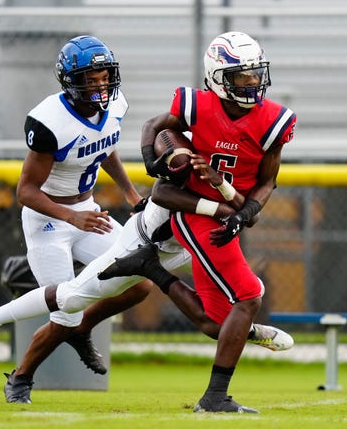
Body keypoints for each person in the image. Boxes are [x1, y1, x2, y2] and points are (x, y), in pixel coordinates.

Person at [0, 177, 294, 403]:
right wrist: (219, 204)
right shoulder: (186, 149)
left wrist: (239, 203)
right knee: (68, 300)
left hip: (184, 246)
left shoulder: (234, 153)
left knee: (222, 314)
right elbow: (163, 185)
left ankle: (246, 329)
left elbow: (258, 195)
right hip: (141, 244)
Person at [0, 35, 153, 401]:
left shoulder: (115, 105)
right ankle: (20, 376)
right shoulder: (50, 121)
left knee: (140, 283)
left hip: (87, 211)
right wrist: (71, 219)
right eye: (90, 79)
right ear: (71, 82)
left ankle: (80, 331)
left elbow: (104, 147)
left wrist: (129, 192)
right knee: (65, 309)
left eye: (103, 76)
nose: (100, 85)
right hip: (49, 220)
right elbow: (26, 191)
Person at [110, 31, 297, 414]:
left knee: (219, 323)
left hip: (230, 209)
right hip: (197, 213)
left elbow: (267, 182)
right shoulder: (198, 105)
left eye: (254, 74)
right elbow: (157, 126)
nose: (251, 83)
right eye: (241, 76)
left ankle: (152, 269)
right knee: (249, 298)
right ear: (217, 77)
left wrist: (242, 214)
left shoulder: (274, 121)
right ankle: (214, 398)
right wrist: (157, 157)